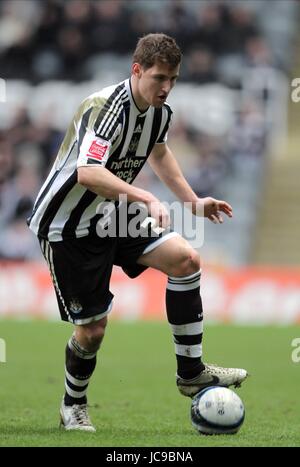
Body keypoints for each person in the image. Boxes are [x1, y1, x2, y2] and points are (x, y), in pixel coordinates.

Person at [27, 33, 248, 432]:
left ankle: (191, 372)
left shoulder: (160, 113)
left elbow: (159, 151)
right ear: (137, 70)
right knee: (93, 330)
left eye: (174, 79)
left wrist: (192, 201)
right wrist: (143, 196)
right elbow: (88, 172)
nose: (166, 87)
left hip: (112, 214)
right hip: (68, 226)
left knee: (186, 259)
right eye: (159, 77)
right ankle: (72, 405)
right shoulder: (104, 108)